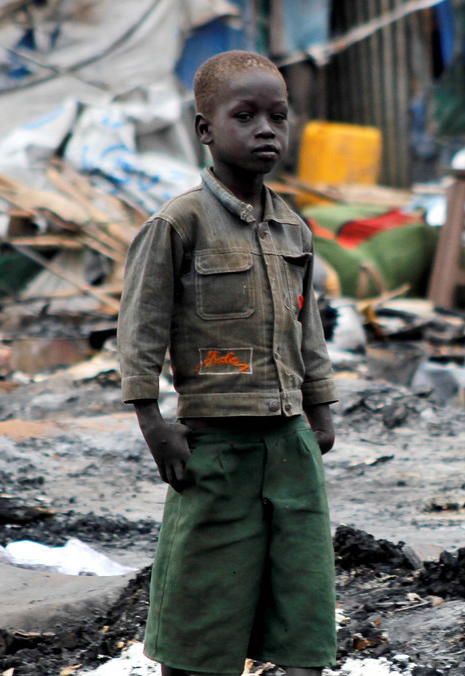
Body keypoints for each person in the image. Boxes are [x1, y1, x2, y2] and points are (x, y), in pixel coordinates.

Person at [117, 50, 338, 676]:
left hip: (290, 445)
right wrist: (151, 420)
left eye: (278, 117)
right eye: (245, 116)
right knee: (199, 617)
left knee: (304, 608)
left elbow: (307, 326)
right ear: (205, 129)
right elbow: (141, 327)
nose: (266, 130)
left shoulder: (294, 227)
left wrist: (319, 405)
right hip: (213, 446)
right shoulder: (178, 222)